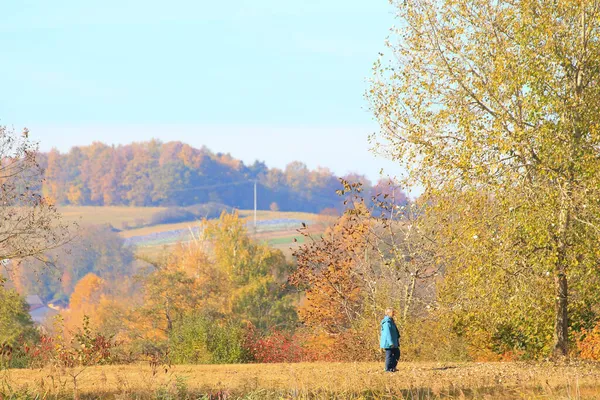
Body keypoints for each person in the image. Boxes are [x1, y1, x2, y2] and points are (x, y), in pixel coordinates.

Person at [380, 308, 400, 372]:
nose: (394, 314)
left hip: (393, 342)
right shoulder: (387, 322)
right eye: (392, 312)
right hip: (388, 342)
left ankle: (392, 367)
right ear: (388, 313)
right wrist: (390, 342)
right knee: (389, 355)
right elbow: (387, 333)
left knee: (397, 353)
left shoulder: (391, 321)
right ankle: (388, 369)